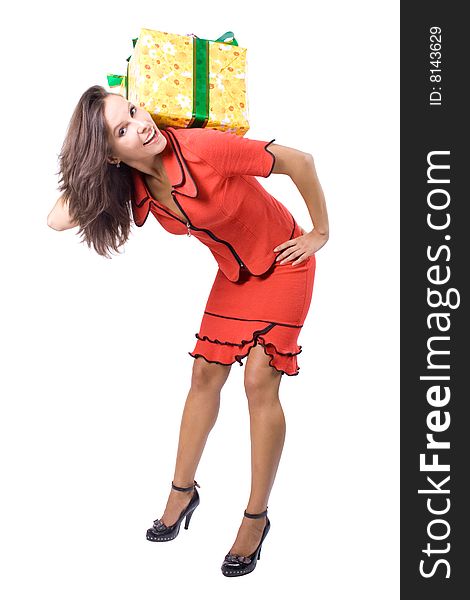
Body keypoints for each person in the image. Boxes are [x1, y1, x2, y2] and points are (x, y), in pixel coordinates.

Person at [48, 85, 329, 577]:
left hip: (285, 260)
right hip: (235, 275)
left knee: (258, 381)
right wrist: (96, 168)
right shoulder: (133, 182)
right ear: (109, 155)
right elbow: (57, 219)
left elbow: (299, 161)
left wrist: (319, 234)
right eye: (122, 129)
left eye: (133, 110)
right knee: (203, 376)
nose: (141, 125)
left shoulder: (202, 147)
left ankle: (255, 519)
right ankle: (183, 491)